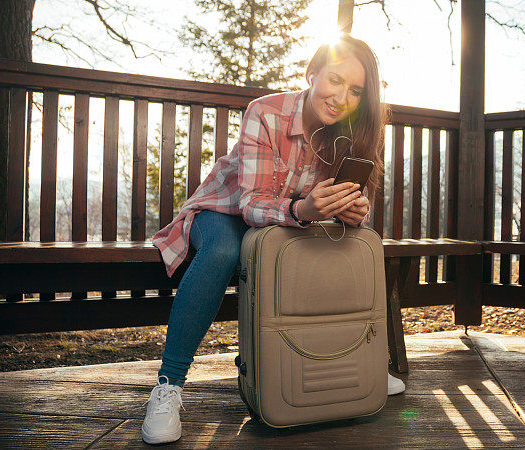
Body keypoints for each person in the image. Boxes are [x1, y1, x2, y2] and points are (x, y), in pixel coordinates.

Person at [141, 34, 405, 445]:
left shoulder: (351, 130)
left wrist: (353, 210)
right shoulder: (266, 112)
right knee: (226, 249)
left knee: (346, 243)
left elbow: (348, 198)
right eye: (335, 80)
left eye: (356, 91)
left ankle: (358, 360)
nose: (342, 98)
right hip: (226, 210)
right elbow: (250, 203)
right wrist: (302, 211)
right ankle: (169, 385)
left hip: (287, 224)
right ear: (312, 73)